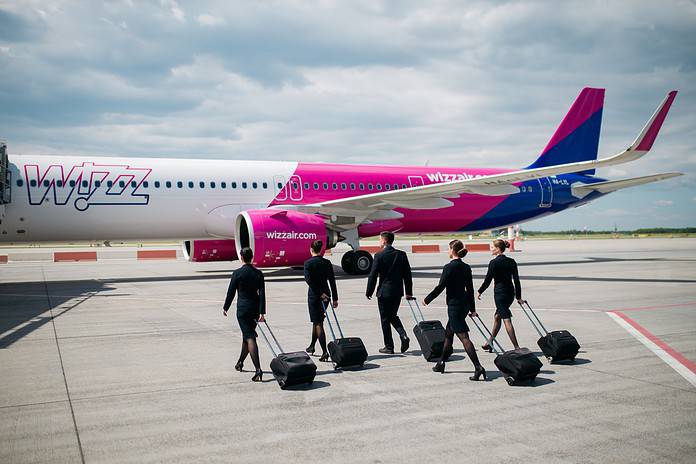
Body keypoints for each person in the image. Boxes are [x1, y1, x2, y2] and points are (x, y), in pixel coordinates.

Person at [423, 240, 486, 380]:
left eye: (448, 248)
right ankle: (441, 362)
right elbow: (470, 289)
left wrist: (427, 299)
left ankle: (478, 367)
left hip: (454, 306)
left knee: (463, 337)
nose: (447, 251)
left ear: (452, 250)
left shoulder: (449, 267)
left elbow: (441, 286)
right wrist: (472, 308)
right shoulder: (466, 267)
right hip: (464, 305)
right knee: (448, 334)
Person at [223, 247, 266, 382]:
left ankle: (258, 369)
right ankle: (240, 362)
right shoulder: (258, 273)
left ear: (241, 258)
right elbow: (262, 295)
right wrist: (262, 312)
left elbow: (231, 292)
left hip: (242, 310)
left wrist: (226, 307)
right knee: (246, 337)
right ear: (252, 257)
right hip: (254, 309)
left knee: (249, 337)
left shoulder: (237, 273)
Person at [365, 231, 412, 354]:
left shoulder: (379, 255)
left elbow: (373, 275)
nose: (379, 242)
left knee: (385, 319)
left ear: (384, 241)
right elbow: (407, 275)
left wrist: (369, 291)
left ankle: (389, 346)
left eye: (380, 240)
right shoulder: (401, 254)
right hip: (397, 292)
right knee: (392, 315)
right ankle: (403, 336)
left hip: (384, 292)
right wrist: (408, 292)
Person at [477, 239, 522, 351]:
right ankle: (490, 342)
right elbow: (516, 280)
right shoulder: (512, 261)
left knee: (506, 319)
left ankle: (517, 347)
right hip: (510, 294)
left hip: (500, 294)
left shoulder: (494, 263)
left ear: (497, 249)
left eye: (492, 247)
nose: (490, 249)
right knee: (497, 316)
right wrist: (518, 297)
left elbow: (488, 280)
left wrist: (480, 291)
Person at [303, 239, 338, 362]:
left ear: (311, 250)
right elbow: (332, 281)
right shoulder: (327, 262)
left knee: (318, 323)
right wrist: (335, 298)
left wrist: (319, 293)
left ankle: (324, 352)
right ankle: (312, 346)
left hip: (315, 296)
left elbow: (309, 280)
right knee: (317, 320)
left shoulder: (308, 263)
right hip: (326, 296)